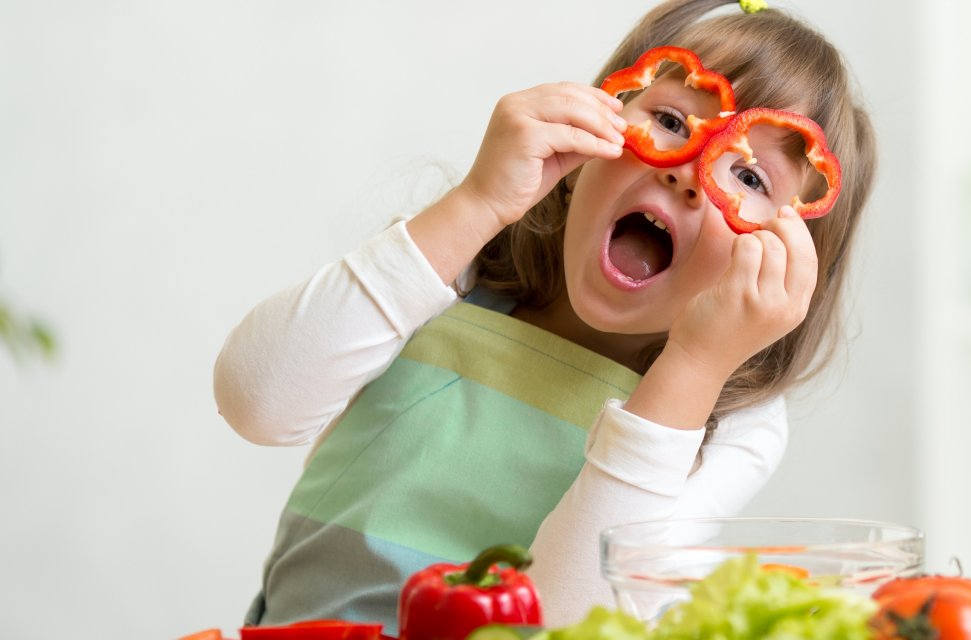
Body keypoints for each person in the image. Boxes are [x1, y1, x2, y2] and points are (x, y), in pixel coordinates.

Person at [213, 0, 877, 631]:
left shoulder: (737, 422)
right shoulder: (457, 267)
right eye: (672, 122)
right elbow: (256, 402)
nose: (689, 173)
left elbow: (570, 623)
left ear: (788, 263)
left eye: (750, 178)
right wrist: (476, 200)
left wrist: (694, 367)